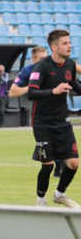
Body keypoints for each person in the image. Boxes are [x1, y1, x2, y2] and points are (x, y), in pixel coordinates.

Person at [28, 29, 81, 207]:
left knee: (73, 163)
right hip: (42, 123)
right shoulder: (41, 67)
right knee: (48, 164)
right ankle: (40, 200)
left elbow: (73, 83)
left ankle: (59, 195)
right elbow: (31, 93)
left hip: (62, 121)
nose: (69, 46)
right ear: (54, 47)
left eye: (69, 42)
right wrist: (54, 91)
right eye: (65, 43)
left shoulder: (70, 64)